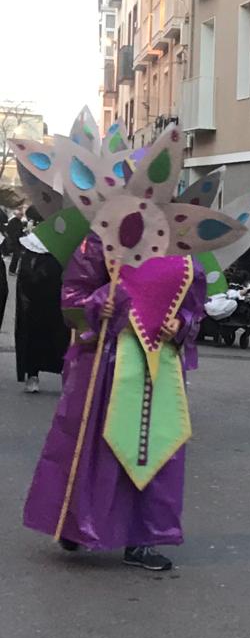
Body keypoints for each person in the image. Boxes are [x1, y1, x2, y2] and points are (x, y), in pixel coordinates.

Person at [22, 234, 207, 571]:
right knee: (92, 448)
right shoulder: (100, 241)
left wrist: (180, 324)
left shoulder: (184, 249)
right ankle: (76, 525)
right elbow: (72, 298)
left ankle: (144, 538)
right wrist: (97, 304)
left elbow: (194, 306)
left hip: (158, 369)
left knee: (152, 447)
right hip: (105, 364)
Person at [15, 233, 70, 392]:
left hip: (60, 303)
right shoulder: (33, 245)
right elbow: (24, 275)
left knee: (61, 341)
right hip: (36, 303)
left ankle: (64, 375)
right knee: (35, 338)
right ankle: (32, 375)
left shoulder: (66, 246)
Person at [7, 208, 26, 275]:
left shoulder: (19, 221)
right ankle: (11, 270)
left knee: (18, 256)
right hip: (14, 241)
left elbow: (20, 230)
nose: (21, 217)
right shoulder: (13, 221)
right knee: (16, 256)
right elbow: (10, 231)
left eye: (22, 215)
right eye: (20, 215)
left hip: (18, 240)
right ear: (17, 215)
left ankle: (14, 270)